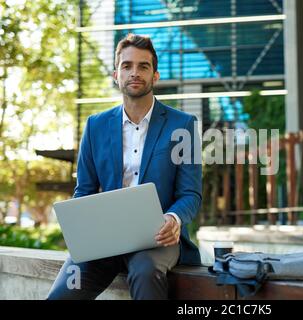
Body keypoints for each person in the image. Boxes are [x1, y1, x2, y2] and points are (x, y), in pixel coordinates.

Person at [47, 34, 202, 300]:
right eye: (127, 66)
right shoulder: (95, 126)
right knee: (63, 293)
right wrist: (82, 228)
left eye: (143, 66)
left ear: (155, 76)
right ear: (115, 74)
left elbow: (191, 194)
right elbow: (83, 191)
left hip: (157, 238)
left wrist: (174, 218)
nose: (135, 73)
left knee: (144, 272)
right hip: (105, 240)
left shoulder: (183, 125)